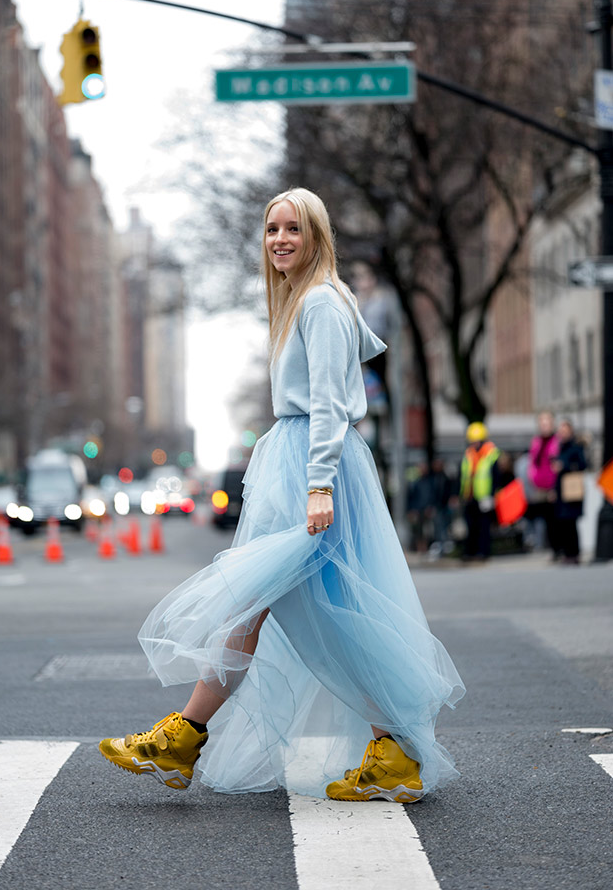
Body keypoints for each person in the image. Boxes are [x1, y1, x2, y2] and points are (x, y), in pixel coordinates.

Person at [99, 188, 465, 803]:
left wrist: (318, 484)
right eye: (272, 229)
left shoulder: (321, 303)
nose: (280, 240)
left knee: (317, 613)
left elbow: (329, 404)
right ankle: (187, 738)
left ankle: (191, 738)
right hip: (298, 464)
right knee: (271, 609)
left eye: (293, 228)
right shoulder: (311, 302)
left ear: (317, 235)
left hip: (311, 469)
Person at [459, 422, 500, 560]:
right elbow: (464, 475)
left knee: (484, 527)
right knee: (471, 527)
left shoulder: (491, 454)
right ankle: (470, 552)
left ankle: (483, 552)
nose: (473, 443)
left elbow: (495, 476)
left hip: (484, 496)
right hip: (470, 496)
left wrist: (492, 496)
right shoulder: (469, 454)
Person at [552, 419, 587, 565]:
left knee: (572, 524)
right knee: (563, 524)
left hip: (571, 491)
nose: (563, 434)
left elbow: (583, 464)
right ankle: (567, 553)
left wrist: (564, 465)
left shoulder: (576, 447)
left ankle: (574, 553)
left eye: (565, 431)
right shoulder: (559, 448)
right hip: (561, 492)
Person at [527, 411, 560, 560]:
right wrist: (533, 478)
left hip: (554, 486)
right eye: (542, 423)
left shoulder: (557, 441)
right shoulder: (537, 442)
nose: (544, 426)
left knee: (558, 518)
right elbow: (533, 463)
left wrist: (555, 486)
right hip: (540, 487)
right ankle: (554, 549)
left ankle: (561, 548)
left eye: (547, 422)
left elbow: (556, 464)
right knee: (547, 520)